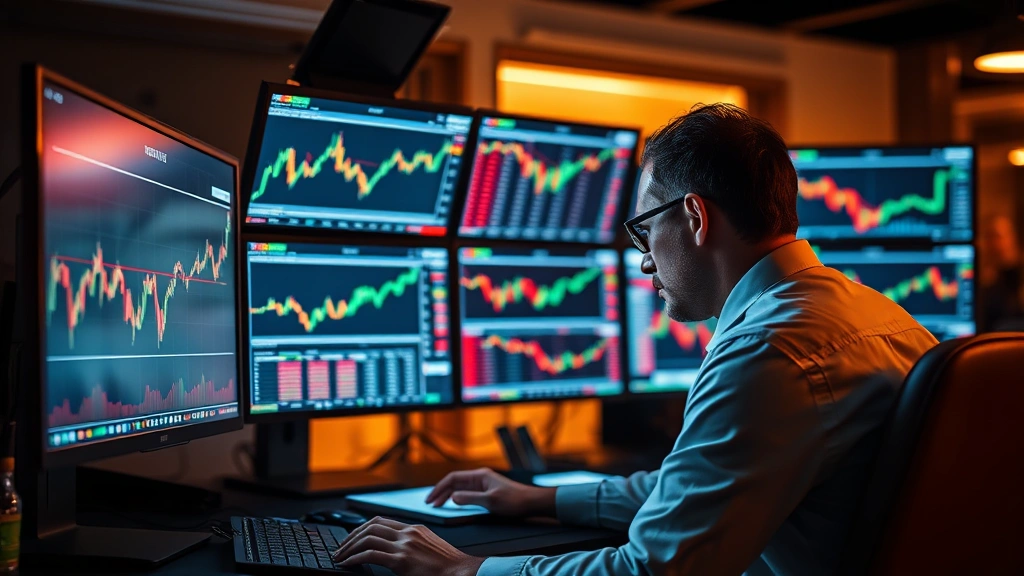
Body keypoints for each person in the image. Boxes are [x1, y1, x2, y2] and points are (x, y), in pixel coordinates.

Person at [330, 104, 939, 575]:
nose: (644, 263)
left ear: (696, 218)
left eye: (645, 231)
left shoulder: (769, 351)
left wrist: (465, 568)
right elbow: (704, 487)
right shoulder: (874, 315)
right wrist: (538, 498)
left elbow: (655, 569)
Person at [979, 213, 1024, 331]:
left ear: (1012, 238)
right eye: (990, 237)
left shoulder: (1019, 275)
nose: (996, 243)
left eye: (999, 236)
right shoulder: (983, 281)